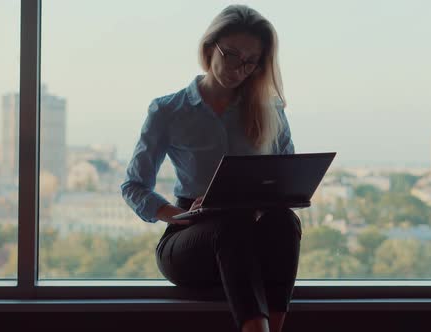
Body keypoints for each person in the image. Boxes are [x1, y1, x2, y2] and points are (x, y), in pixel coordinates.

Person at [121, 5, 301, 332]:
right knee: (229, 224)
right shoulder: (168, 110)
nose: (238, 69)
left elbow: (286, 176)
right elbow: (133, 186)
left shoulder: (270, 109)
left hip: (251, 234)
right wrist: (180, 216)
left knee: (284, 221)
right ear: (209, 49)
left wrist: (274, 198)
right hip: (189, 239)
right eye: (231, 55)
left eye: (250, 61)